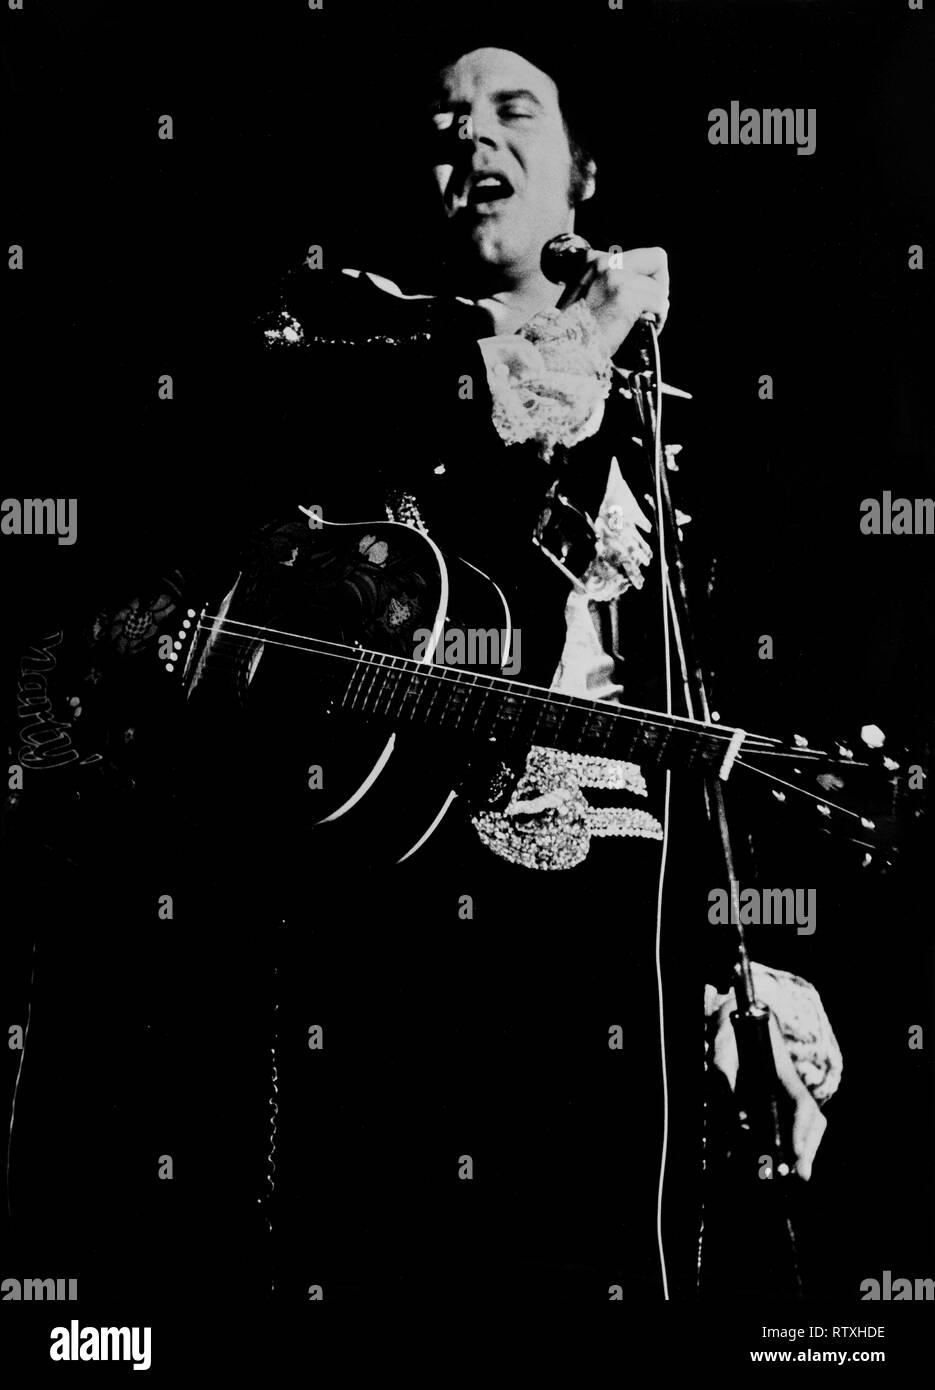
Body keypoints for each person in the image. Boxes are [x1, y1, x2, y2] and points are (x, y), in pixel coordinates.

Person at [5, 41, 841, 1305]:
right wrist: (568, 345)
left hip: (624, 901)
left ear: (584, 174)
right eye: (446, 124)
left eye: (514, 114)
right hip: (411, 871)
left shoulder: (667, 408)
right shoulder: (353, 328)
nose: (476, 141)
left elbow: (689, 695)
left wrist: (742, 959)